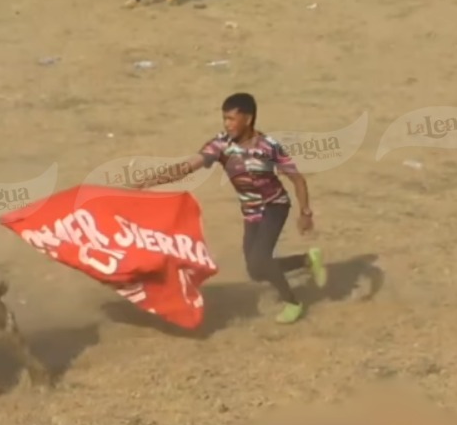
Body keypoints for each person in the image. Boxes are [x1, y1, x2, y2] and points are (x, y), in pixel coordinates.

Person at [129, 92, 327, 324]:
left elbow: (298, 180)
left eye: (232, 119)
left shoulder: (268, 147)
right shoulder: (221, 144)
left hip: (274, 206)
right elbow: (188, 167)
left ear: (248, 118)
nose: (227, 124)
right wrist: (148, 182)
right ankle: (306, 260)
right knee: (256, 270)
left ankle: (293, 302)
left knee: (261, 259)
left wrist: (305, 213)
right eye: (225, 119)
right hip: (251, 212)